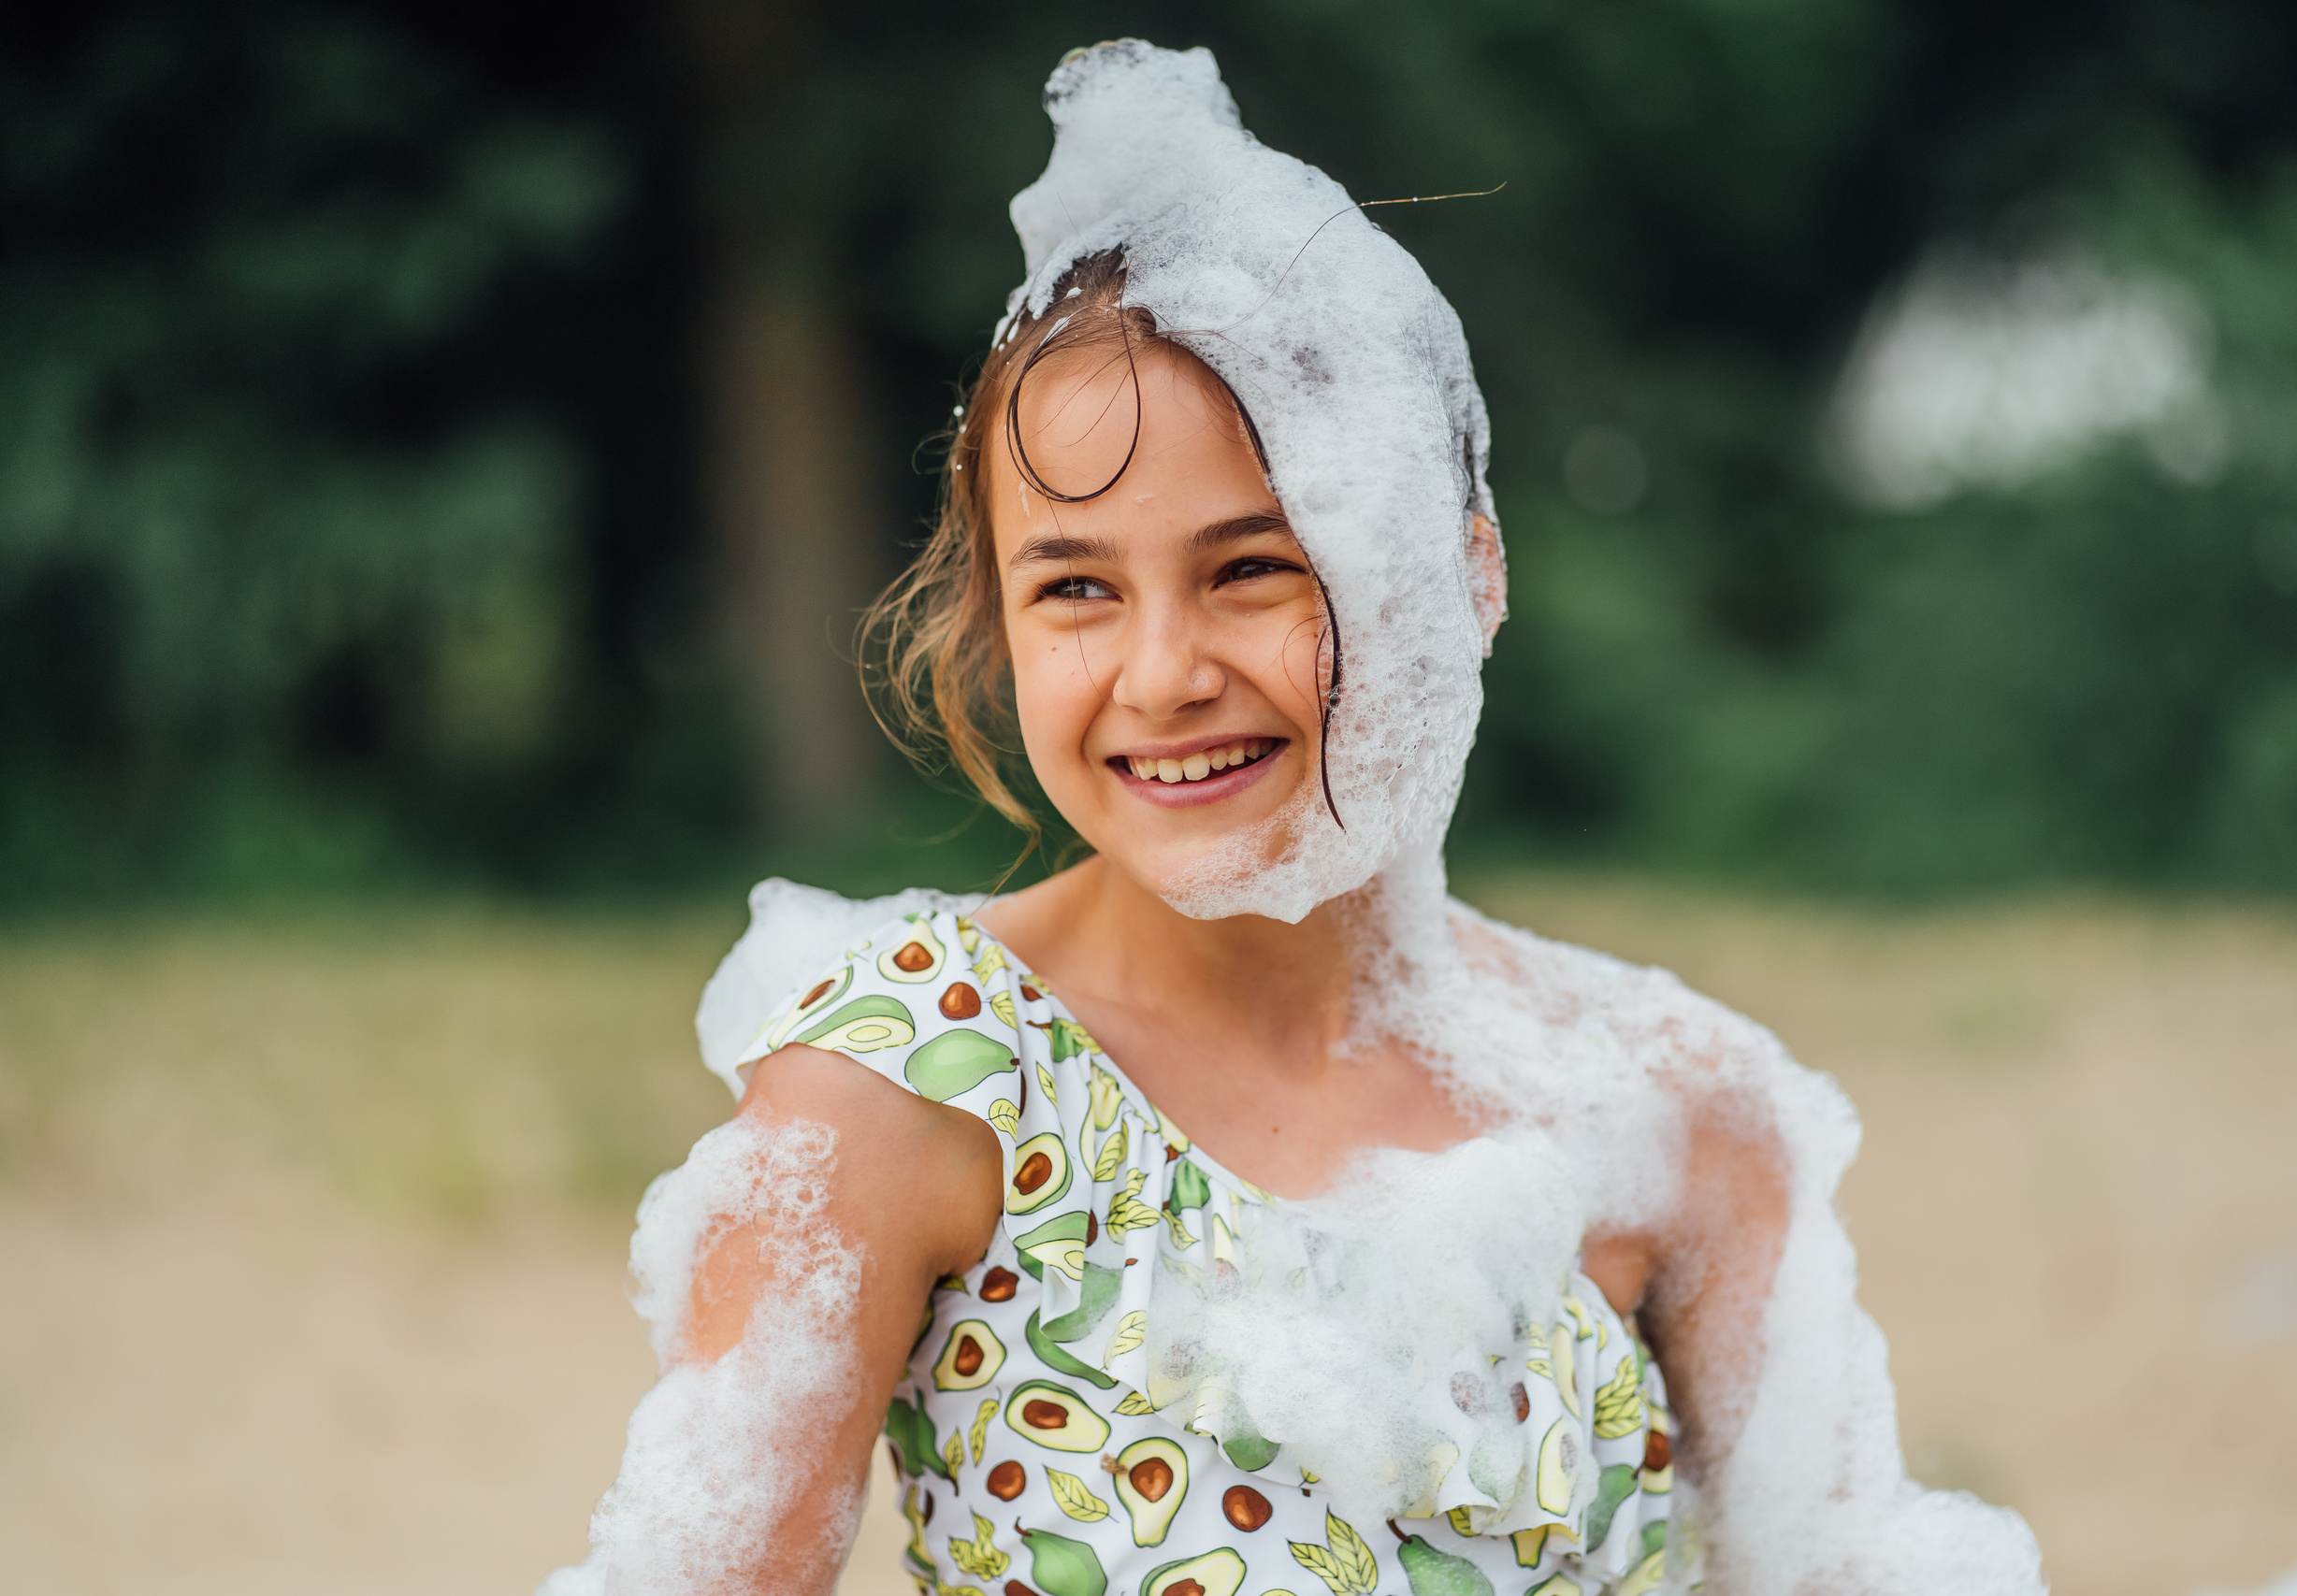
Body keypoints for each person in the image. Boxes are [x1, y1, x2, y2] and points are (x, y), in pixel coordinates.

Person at [548, 40, 2042, 1596]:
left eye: (1253, 567)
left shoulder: (1672, 1111)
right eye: (1075, 589)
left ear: (1457, 577)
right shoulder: (909, 1091)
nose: (1164, 672)